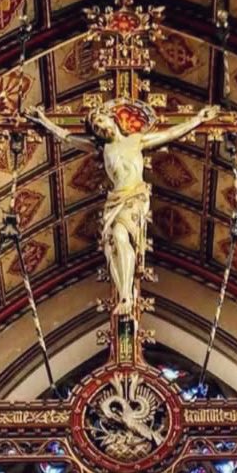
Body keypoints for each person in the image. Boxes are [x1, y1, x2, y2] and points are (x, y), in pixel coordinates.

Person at [27, 101, 218, 315]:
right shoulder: (102, 147)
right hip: (115, 200)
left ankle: (127, 295)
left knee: (120, 235)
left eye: (100, 120)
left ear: (113, 118)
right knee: (114, 243)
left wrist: (198, 119)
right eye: (95, 127)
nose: (99, 127)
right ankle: (125, 293)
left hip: (135, 196)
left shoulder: (137, 140)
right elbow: (65, 137)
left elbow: (171, 133)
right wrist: (43, 121)